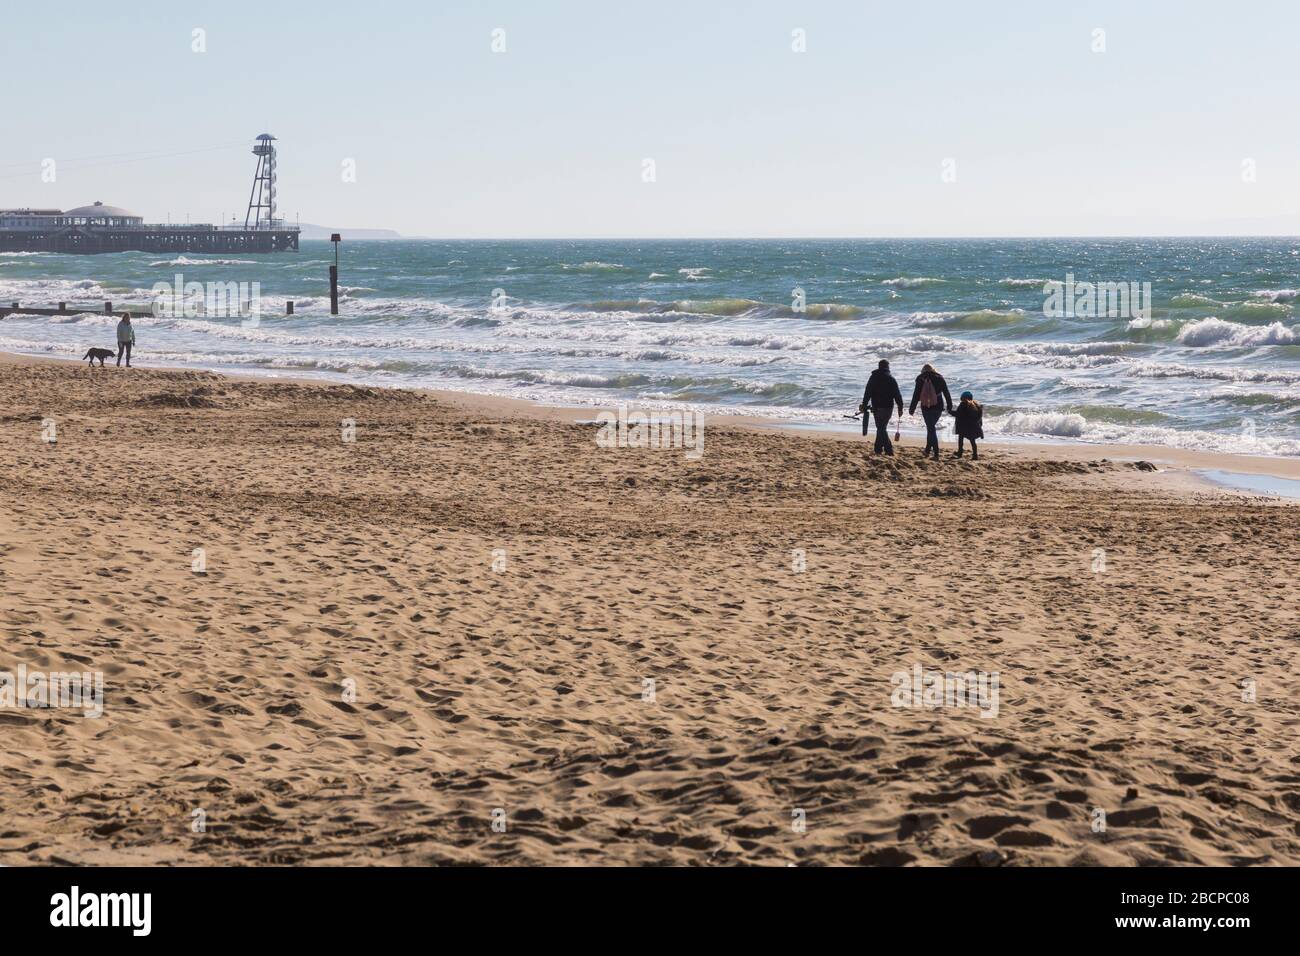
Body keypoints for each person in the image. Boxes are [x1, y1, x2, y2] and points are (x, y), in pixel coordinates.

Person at [909, 363, 954, 460]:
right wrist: (949, 406)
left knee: (931, 428)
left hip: (925, 407)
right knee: (931, 428)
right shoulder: (940, 378)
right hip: (938, 406)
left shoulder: (920, 378)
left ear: (923, 371)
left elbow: (916, 394)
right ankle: (928, 450)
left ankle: (936, 453)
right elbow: (946, 392)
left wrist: (912, 408)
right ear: (933, 369)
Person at [860, 359, 904, 455]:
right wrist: (900, 407)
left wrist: (864, 404)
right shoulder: (891, 379)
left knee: (881, 427)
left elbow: (867, 392)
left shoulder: (873, 378)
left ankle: (885, 449)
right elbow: (897, 394)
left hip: (877, 407)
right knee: (881, 427)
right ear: (887, 367)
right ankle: (880, 449)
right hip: (888, 407)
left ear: (879, 367)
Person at [953, 390, 984, 460]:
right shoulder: (976, 405)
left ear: (964, 398)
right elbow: (979, 418)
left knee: (961, 437)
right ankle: (975, 455)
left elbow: (958, 414)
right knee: (972, 441)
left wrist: (950, 412)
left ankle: (960, 453)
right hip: (974, 426)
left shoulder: (963, 404)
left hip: (965, 426)